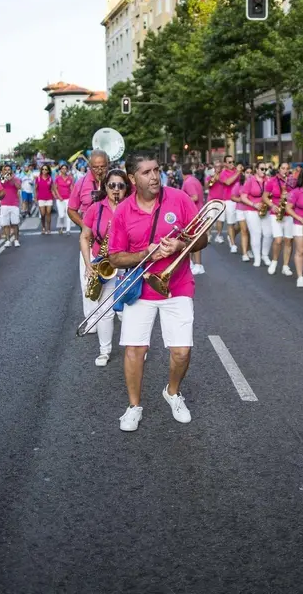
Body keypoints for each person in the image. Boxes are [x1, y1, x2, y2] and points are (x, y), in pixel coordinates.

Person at [106, 152, 206, 432]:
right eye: (147, 172)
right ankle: (134, 406)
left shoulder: (178, 198)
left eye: (157, 170)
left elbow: (204, 238)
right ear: (132, 178)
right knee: (135, 350)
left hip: (178, 285)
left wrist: (180, 245)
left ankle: (172, 392)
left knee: (182, 352)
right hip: (142, 289)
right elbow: (115, 258)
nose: (154, 177)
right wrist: (144, 253)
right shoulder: (124, 210)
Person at [79, 168, 130, 366]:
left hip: (128, 262)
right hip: (104, 263)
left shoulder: (133, 207)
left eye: (120, 186)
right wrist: (87, 263)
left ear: (127, 188)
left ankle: (135, 347)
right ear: (105, 187)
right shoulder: (95, 208)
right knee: (104, 310)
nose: (116, 190)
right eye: (112, 185)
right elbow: (84, 237)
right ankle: (104, 350)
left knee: (129, 310)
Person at [68, 150, 109, 231]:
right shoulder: (81, 183)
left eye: (103, 167)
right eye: (95, 167)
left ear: (108, 165)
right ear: (89, 166)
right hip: (90, 233)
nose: (100, 171)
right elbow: (71, 210)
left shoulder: (117, 180)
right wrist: (83, 225)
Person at [240, 162, 271, 267]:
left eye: (265, 169)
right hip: (251, 210)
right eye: (262, 169)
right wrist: (254, 204)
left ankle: (265, 255)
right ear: (256, 169)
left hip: (265, 210)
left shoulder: (268, 180)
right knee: (256, 234)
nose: (264, 171)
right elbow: (243, 197)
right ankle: (257, 258)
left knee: (268, 234)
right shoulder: (250, 181)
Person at [265, 162, 294, 276]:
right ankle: (274, 261)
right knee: (278, 240)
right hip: (276, 213)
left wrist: (290, 196)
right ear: (279, 169)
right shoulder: (272, 181)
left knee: (288, 240)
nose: (285, 170)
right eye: (283, 168)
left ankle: (285, 266)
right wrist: (272, 205)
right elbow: (265, 196)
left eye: (287, 168)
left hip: (289, 214)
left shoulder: (292, 182)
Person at [181, 165, 206, 274]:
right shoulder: (194, 179)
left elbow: (194, 197)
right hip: (196, 212)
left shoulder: (188, 182)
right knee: (190, 239)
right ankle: (192, 263)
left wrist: (181, 200)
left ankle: (198, 265)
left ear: (182, 173)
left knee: (194, 240)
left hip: (194, 213)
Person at [0, 164, 23, 247]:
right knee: (6, 224)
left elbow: (19, 187)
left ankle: (16, 240)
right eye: (5, 169)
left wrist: (12, 179)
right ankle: (8, 240)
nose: (7, 171)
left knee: (15, 223)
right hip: (4, 204)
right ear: (3, 171)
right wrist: (4, 178)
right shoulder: (1, 179)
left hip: (14, 204)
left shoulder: (16, 179)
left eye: (9, 169)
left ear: (11, 170)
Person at [54, 163, 75, 234]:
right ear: (60, 170)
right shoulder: (57, 178)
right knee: (61, 215)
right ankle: (62, 226)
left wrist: (73, 198)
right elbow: (55, 188)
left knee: (68, 214)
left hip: (68, 198)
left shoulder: (70, 178)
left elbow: (72, 188)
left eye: (65, 168)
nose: (64, 170)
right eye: (62, 168)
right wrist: (58, 196)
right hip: (59, 199)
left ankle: (68, 230)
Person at [36, 164, 55, 234]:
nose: (44, 171)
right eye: (43, 169)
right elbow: (35, 189)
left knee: (48, 213)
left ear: (48, 171)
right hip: (41, 198)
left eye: (46, 169)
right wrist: (35, 197)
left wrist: (55, 195)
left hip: (49, 198)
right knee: (43, 214)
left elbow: (53, 188)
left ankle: (49, 228)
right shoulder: (38, 178)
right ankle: (43, 227)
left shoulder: (50, 178)